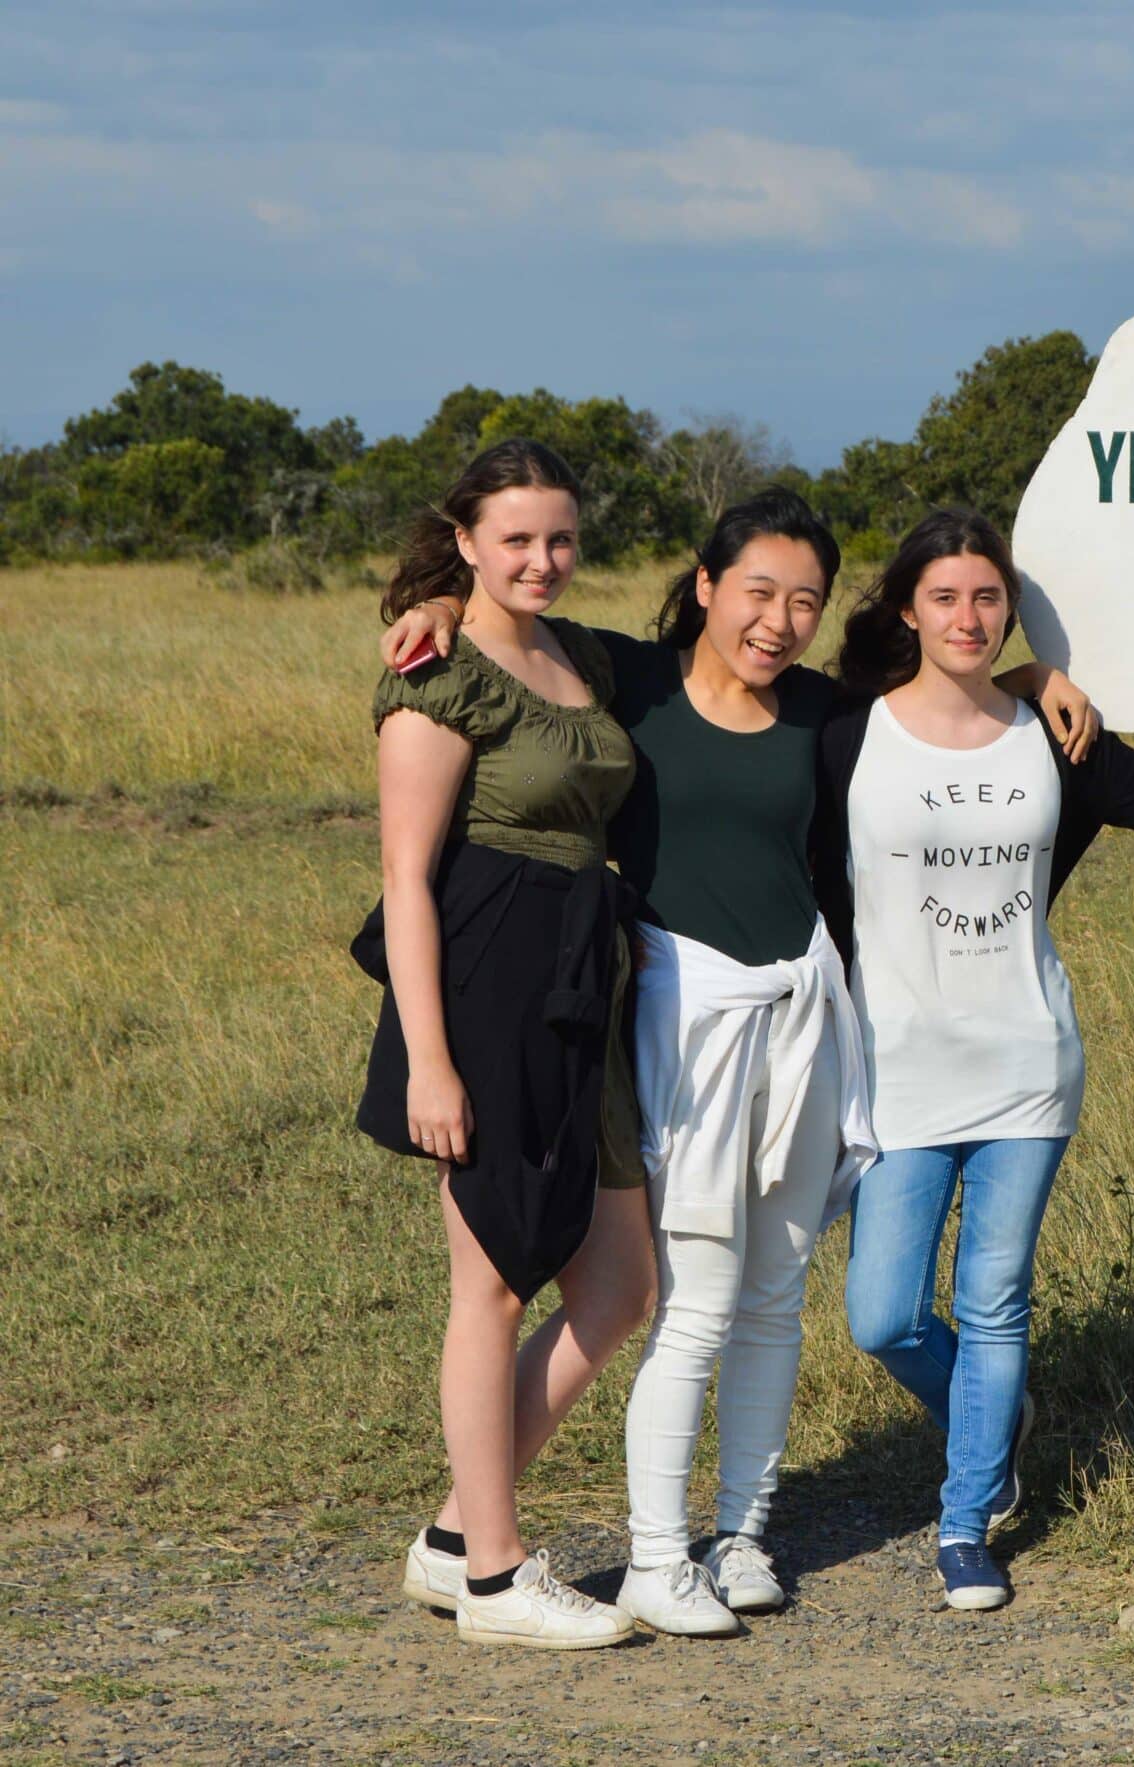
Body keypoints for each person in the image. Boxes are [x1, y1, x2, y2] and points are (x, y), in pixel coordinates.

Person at [376, 493, 1096, 1639]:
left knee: (776, 1292)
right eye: (757, 591)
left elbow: (931, 697)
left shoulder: (821, 713)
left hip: (805, 1013)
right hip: (681, 1014)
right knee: (690, 1295)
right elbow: (518, 619)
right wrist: (438, 603)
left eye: (804, 600)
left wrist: (1026, 680)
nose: (779, 621)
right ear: (705, 587)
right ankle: (658, 1559)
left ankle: (742, 1532)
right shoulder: (638, 683)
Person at [819, 507, 1134, 1613]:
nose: (967, 616)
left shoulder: (1052, 733)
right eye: (944, 597)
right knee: (884, 1316)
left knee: (996, 1302)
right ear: (906, 609)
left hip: (1025, 1064)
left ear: (1013, 612)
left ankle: (968, 1521)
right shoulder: (845, 734)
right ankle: (991, 1413)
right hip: (894, 1068)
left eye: (988, 598)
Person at [356, 438, 649, 1648]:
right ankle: (492, 1578)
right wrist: (431, 1060)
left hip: (589, 980)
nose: (542, 559)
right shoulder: (440, 674)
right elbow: (407, 880)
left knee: (622, 1282)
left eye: (560, 538)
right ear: (467, 540)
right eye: (515, 538)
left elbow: (732, 639)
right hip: (486, 985)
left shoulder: (581, 654)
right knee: (490, 1280)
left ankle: (450, 1534)